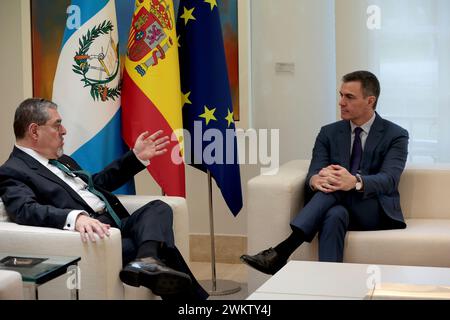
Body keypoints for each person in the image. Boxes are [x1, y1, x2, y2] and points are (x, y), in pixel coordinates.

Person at [0, 98, 208, 300]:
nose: (64, 131)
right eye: (57, 125)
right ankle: (154, 264)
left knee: (159, 207)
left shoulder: (61, 160)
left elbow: (95, 185)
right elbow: (25, 210)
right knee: (160, 245)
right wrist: (75, 217)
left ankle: (147, 260)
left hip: (116, 224)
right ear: (34, 131)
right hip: (98, 236)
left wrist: (135, 157)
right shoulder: (13, 170)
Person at [241, 70, 409, 275]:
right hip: (336, 207)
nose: (341, 102)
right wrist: (316, 180)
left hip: (373, 210)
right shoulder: (328, 132)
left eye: (349, 97)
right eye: (341, 95)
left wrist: (354, 181)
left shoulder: (395, 134)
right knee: (334, 214)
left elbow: (389, 180)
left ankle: (283, 250)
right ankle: (328, 287)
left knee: (338, 187)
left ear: (370, 100)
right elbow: (314, 172)